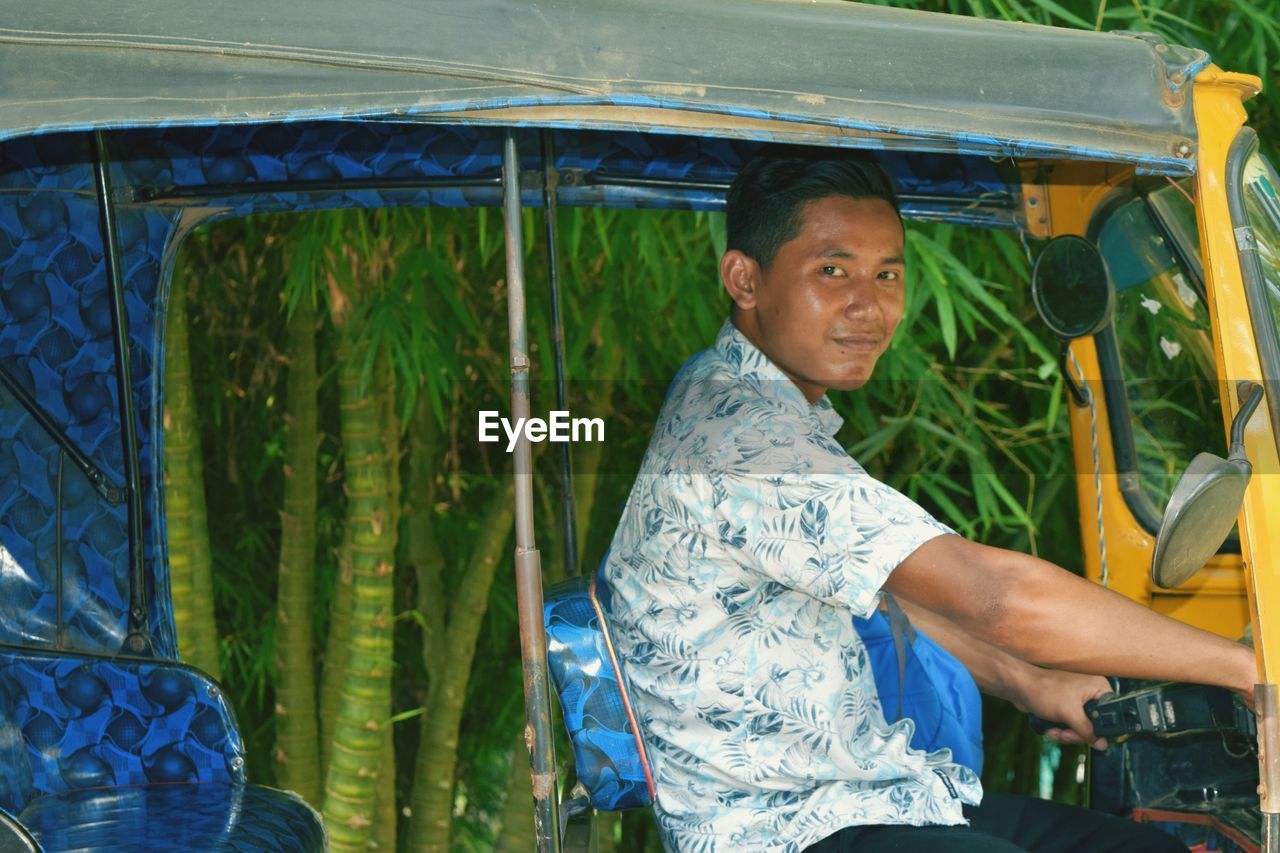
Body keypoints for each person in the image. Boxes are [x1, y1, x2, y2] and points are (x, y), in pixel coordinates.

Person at [599, 152, 1257, 853]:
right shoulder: (745, 436)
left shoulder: (748, 400)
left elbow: (875, 602)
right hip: (773, 828)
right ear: (745, 278)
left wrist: (1028, 681)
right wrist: (1245, 667)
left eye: (887, 273)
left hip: (856, 795)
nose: (869, 303)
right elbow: (997, 596)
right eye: (832, 270)